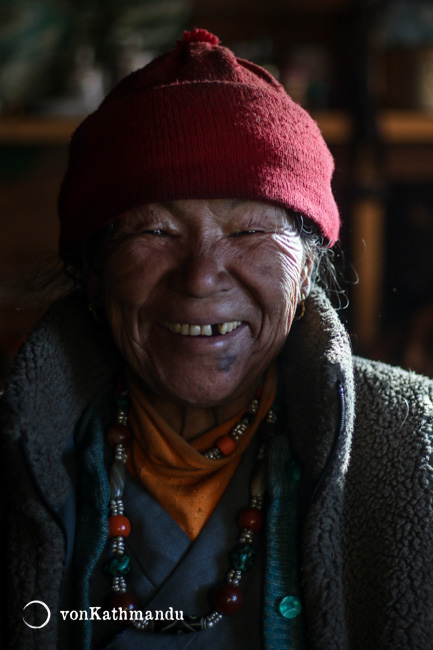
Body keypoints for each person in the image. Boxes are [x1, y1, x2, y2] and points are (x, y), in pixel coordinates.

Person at [1, 28, 433, 650]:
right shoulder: (22, 458)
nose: (201, 276)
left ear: (308, 267)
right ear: (93, 274)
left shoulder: (413, 451)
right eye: (155, 231)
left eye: (251, 230)